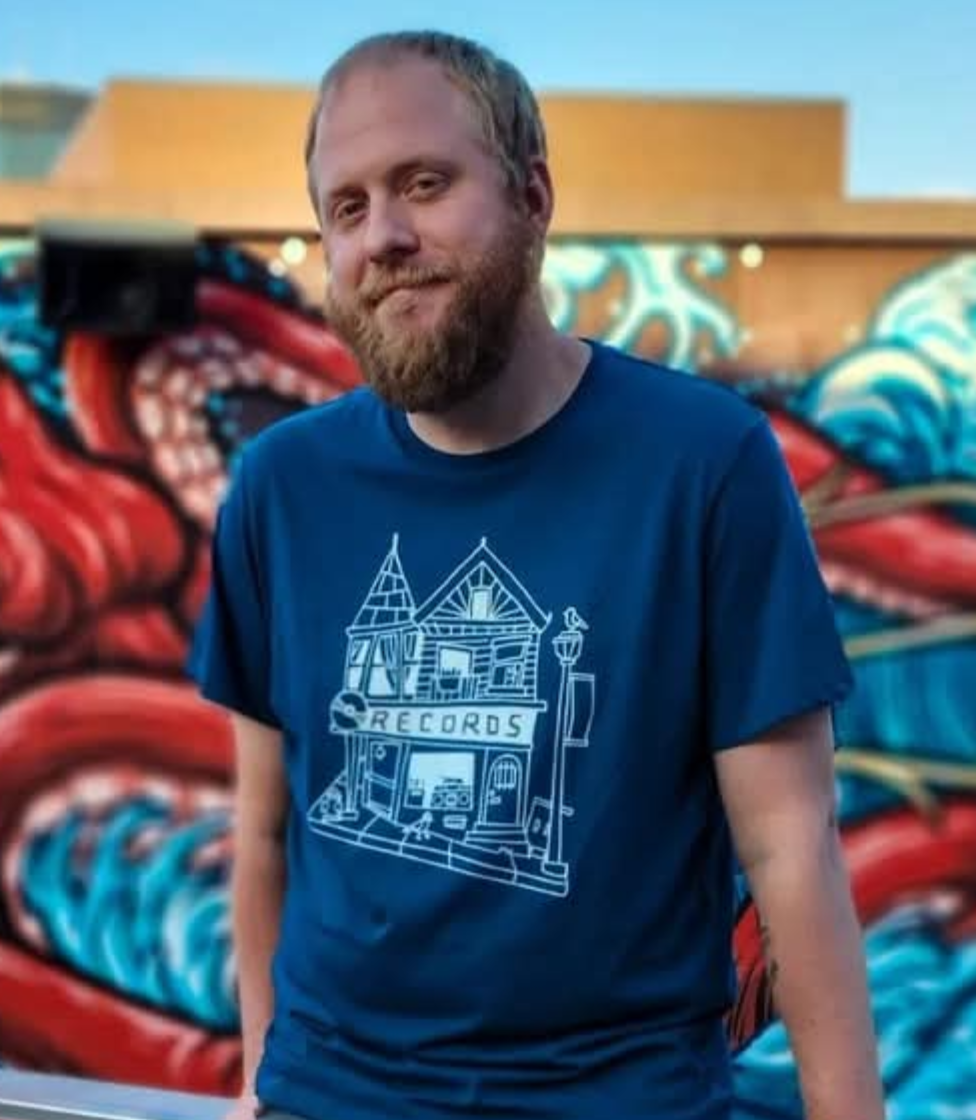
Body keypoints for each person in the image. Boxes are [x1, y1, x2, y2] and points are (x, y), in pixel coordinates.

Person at [189, 30, 886, 1120]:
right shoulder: (282, 487)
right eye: (347, 207)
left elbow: (789, 848)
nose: (385, 235)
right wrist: (259, 1078)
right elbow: (266, 830)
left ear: (533, 195)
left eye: (425, 183)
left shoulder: (704, 464)